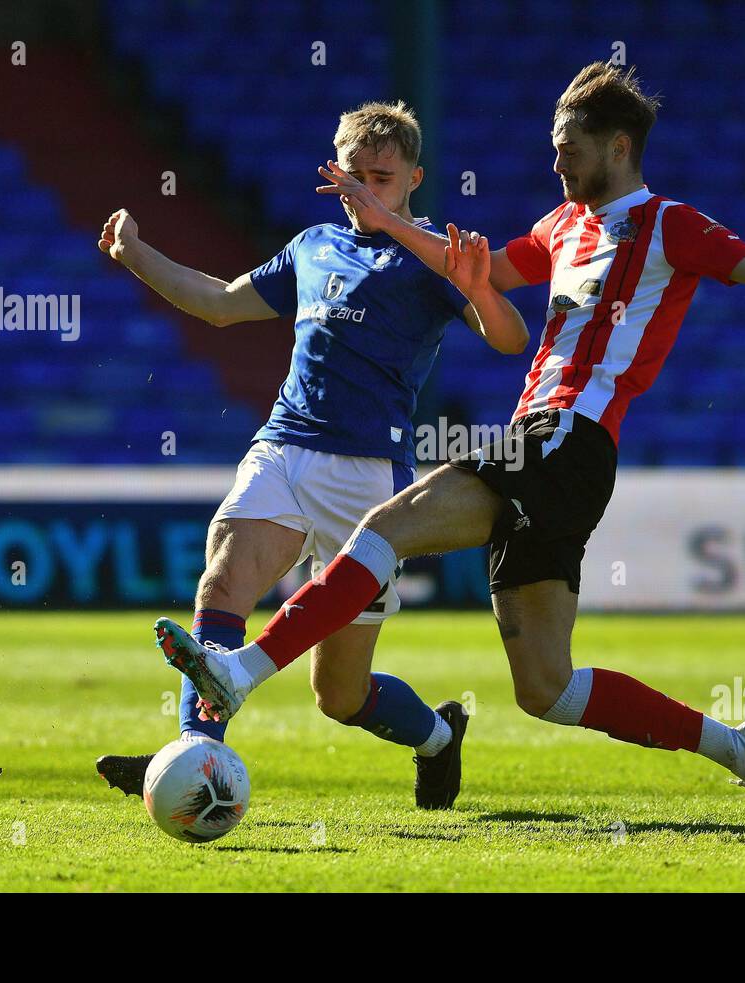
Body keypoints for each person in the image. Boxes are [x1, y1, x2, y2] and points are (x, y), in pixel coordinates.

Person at [155, 63, 745, 824]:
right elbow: (464, 267)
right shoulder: (561, 225)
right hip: (543, 444)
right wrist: (391, 223)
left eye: (569, 150)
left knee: (386, 529)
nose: (556, 164)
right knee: (545, 688)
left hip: (570, 436)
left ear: (617, 146)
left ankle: (241, 671)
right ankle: (743, 746)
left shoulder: (669, 225)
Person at [97, 100, 529, 810]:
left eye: (381, 178)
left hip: (369, 477)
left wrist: (475, 282)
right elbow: (220, 302)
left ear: (414, 177)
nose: (363, 191)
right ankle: (195, 750)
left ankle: (438, 738)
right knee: (222, 581)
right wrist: (135, 254)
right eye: (352, 176)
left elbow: (509, 338)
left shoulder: (431, 256)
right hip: (286, 445)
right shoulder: (313, 245)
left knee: (340, 695)